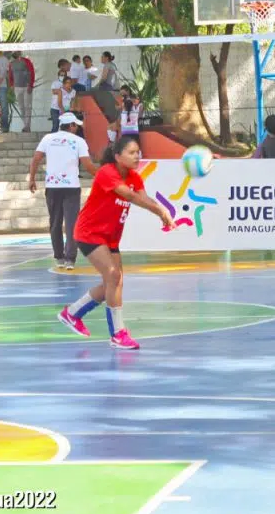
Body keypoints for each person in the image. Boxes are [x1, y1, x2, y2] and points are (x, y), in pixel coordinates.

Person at [57, 136, 176, 349]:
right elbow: (131, 196)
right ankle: (118, 333)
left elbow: (143, 198)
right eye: (131, 152)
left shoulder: (134, 177)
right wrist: (160, 211)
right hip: (89, 232)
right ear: (118, 156)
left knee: (114, 282)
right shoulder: (107, 173)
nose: (137, 156)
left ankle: (72, 313)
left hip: (110, 237)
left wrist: (162, 212)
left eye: (138, 152)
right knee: (113, 276)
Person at [29, 112, 98, 271]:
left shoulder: (48, 139)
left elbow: (36, 159)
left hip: (52, 187)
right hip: (71, 187)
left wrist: (32, 179)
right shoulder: (78, 141)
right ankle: (70, 259)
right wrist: (102, 176)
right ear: (71, 126)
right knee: (72, 223)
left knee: (55, 223)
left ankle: (59, 257)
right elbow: (87, 165)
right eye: (76, 125)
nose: (77, 128)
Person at [9, 51, 35, 132]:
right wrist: (12, 85)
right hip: (17, 88)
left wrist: (30, 85)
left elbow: (32, 72)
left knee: (28, 107)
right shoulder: (11, 63)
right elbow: (10, 75)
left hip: (26, 87)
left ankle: (27, 126)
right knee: (21, 107)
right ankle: (26, 125)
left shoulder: (26, 61)